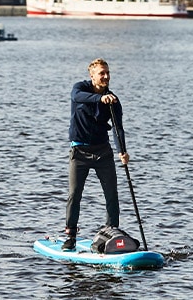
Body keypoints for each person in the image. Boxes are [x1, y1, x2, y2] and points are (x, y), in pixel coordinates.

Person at [62, 58, 129, 251]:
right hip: (79, 152)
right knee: (74, 194)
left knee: (112, 194)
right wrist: (100, 99)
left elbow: (117, 129)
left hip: (102, 152)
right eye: (102, 73)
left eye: (108, 73)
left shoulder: (113, 100)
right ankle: (71, 237)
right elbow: (76, 97)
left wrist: (122, 151)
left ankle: (112, 234)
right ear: (92, 76)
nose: (106, 76)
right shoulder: (80, 88)